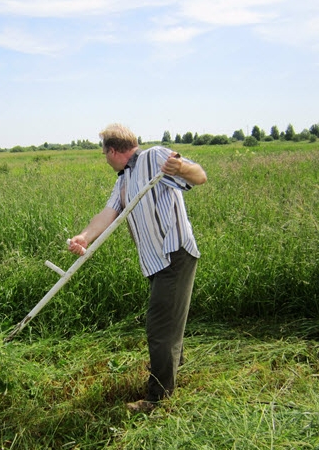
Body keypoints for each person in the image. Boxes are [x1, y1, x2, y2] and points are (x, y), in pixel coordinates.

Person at [68, 123, 207, 413]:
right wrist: (84, 236)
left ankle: (158, 398)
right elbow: (108, 214)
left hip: (173, 254)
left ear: (113, 150)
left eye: (103, 152)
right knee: (168, 321)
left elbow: (200, 176)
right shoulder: (125, 179)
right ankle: (172, 366)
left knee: (159, 327)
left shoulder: (154, 157)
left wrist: (180, 167)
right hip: (155, 260)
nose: (104, 158)